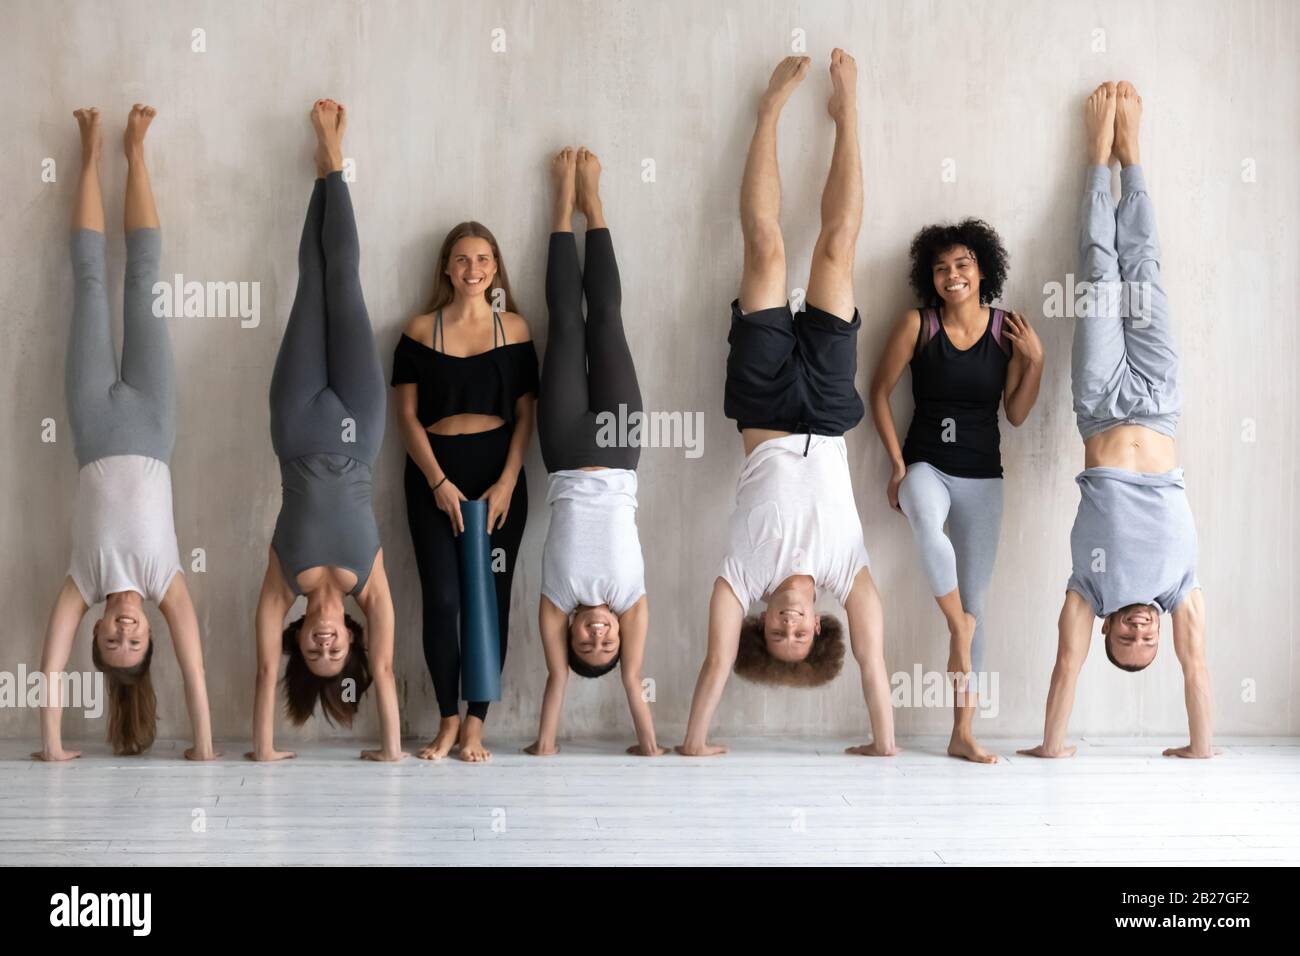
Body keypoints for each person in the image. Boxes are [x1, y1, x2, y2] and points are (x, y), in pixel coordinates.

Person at [679, 52, 895, 758]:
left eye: (778, 632)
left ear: (763, 621)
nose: (791, 626)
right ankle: (848, 115)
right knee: (836, 249)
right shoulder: (846, 571)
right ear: (818, 625)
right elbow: (873, 662)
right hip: (830, 409)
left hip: (765, 406)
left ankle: (768, 112)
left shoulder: (742, 575)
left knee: (767, 248)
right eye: (803, 633)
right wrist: (884, 746)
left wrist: (694, 745)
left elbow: (716, 666)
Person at [1020, 82, 1213, 760]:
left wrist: (1052, 747)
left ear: (1104, 630)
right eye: (1146, 641)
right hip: (1159, 402)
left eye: (1124, 641)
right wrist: (1201, 748)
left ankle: (1098, 158)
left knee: (1101, 275)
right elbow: (1198, 668)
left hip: (1099, 403)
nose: (1138, 633)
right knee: (1146, 273)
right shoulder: (1176, 590)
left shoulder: (1089, 591)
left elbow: (1065, 667)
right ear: (1158, 630)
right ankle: (1134, 155)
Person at [35, 104, 217, 762]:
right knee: (143, 281)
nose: (123, 630)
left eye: (110, 640)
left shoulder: (81, 581)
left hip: (89, 420)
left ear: (96, 630)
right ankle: (136, 154)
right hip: (155, 420)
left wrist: (52, 746)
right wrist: (203, 746)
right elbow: (196, 672)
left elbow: (49, 669)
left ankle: (87, 156)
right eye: (133, 642)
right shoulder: (166, 579)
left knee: (89, 284)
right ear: (148, 637)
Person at [251, 100, 404, 762]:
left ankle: (328, 169)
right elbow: (390, 677)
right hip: (361, 424)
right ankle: (331, 164)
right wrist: (391, 750)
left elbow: (264, 677)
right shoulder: (369, 586)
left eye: (312, 651)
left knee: (312, 283)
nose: (324, 645)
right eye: (334, 651)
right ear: (350, 640)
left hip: (295, 421)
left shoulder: (283, 583)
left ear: (299, 640)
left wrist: (264, 751)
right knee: (344, 280)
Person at [868, 218, 1043, 762]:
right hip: (927, 465)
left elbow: (1014, 414)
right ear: (930, 278)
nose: (952, 275)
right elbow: (878, 393)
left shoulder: (1005, 330)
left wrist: (1035, 361)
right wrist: (898, 465)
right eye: (941, 268)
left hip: (983, 477)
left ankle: (962, 731)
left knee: (979, 606)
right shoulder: (916, 325)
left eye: (962, 265)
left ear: (982, 269)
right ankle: (956, 624)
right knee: (921, 511)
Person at [525, 146, 661, 757]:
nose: (599, 637)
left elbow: (557, 679)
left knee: (566, 325)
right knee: (605, 320)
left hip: (561, 446)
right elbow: (634, 680)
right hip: (620, 446)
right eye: (608, 643)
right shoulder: (631, 600)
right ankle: (595, 203)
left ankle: (561, 203)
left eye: (589, 643)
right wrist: (651, 748)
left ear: (574, 632)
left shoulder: (558, 598)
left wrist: (545, 746)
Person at [392, 213, 536, 762]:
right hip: (434, 473)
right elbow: (405, 418)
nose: (471, 268)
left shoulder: (516, 329)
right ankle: (447, 719)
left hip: (498, 474)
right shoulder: (416, 329)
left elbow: (527, 417)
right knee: (444, 598)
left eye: (481, 259)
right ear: (446, 269)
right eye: (461, 259)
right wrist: (438, 482)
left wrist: (505, 484)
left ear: (494, 267)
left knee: (491, 599)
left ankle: (478, 722)